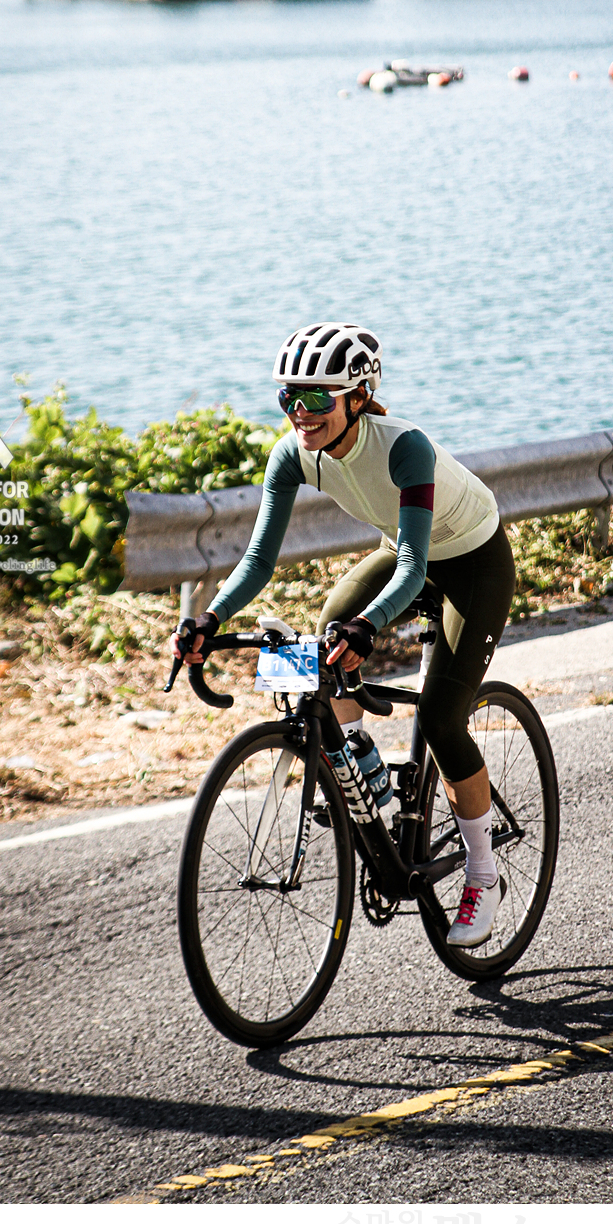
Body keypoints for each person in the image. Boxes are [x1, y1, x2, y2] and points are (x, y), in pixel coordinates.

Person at [175, 322, 516, 949]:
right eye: (288, 398)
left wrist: (372, 625)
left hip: (473, 563)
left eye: (316, 398)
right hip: (406, 554)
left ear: (358, 397)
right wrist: (211, 618)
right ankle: (357, 753)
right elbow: (258, 561)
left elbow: (413, 569)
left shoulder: (404, 448)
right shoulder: (294, 453)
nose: (299, 413)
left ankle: (482, 873)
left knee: (442, 721)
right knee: (330, 627)